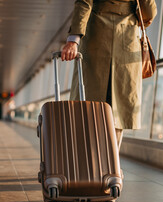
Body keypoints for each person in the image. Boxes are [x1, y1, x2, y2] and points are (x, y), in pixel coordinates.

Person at [61, 0, 157, 148]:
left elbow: (84, 3)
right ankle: (111, 163)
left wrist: (73, 40)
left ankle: (86, 159)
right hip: (127, 40)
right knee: (119, 108)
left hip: (96, 36)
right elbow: (149, 13)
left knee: (88, 102)